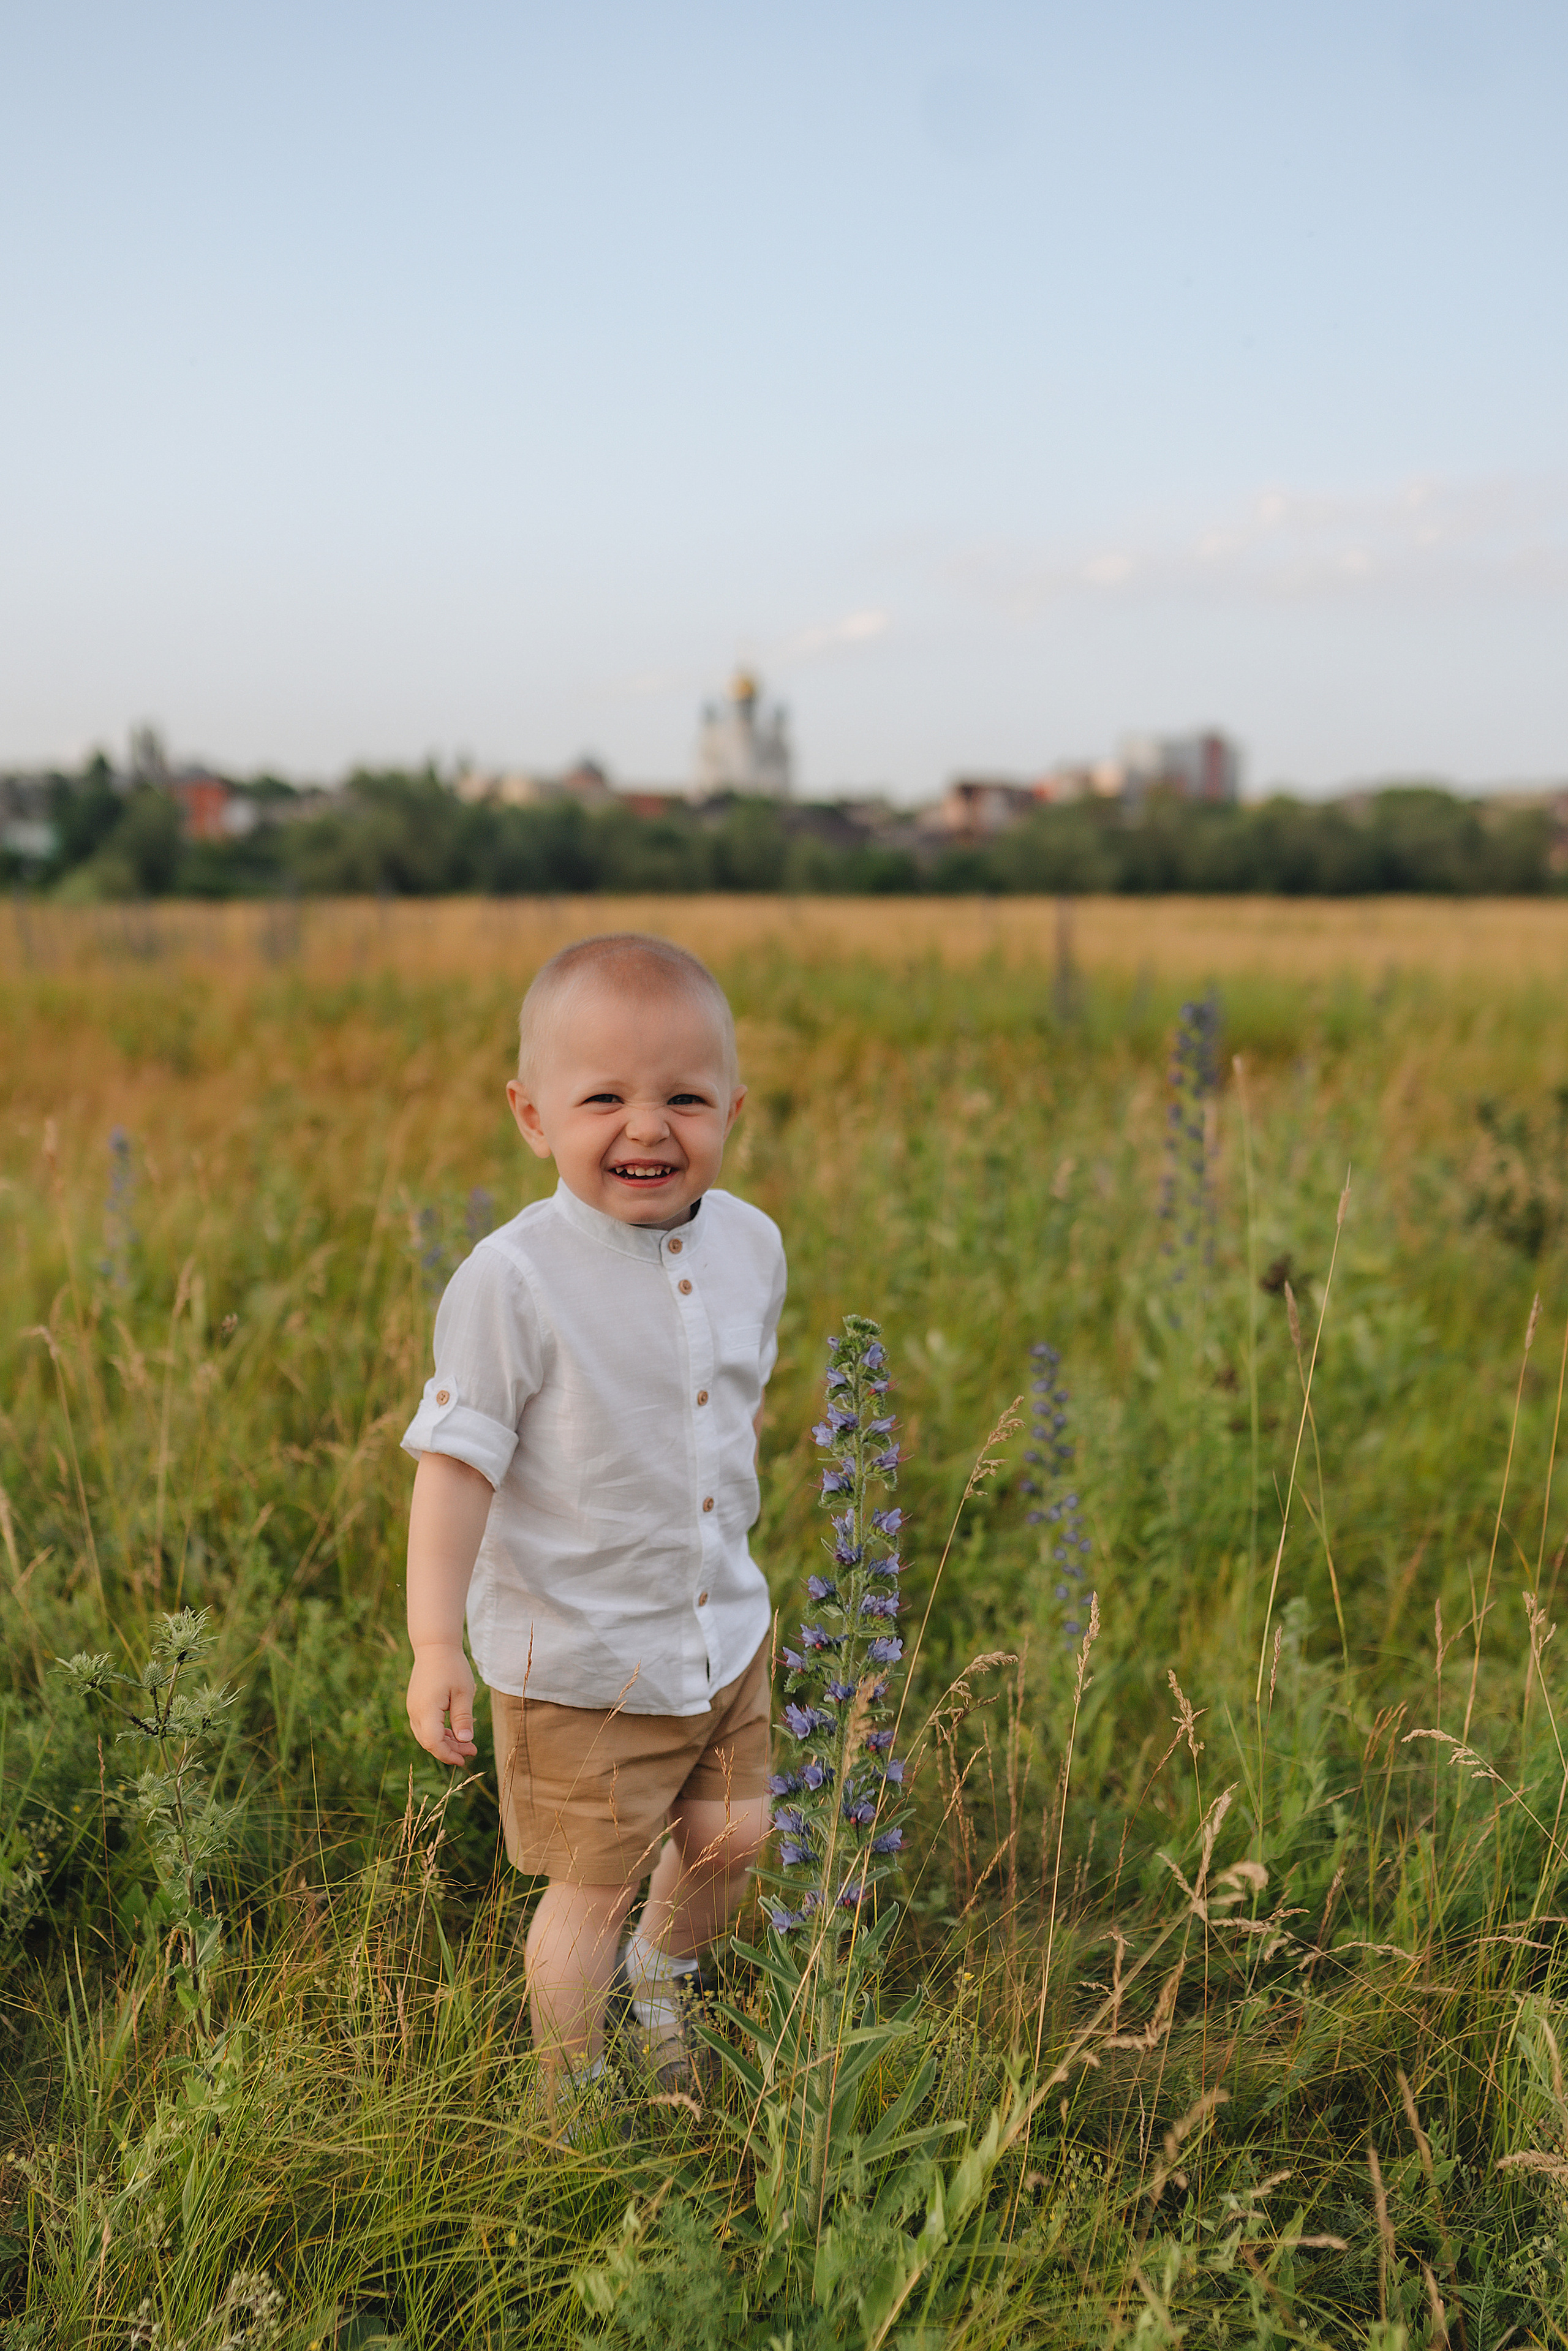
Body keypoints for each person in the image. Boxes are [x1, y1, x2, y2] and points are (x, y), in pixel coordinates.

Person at [401, 932, 783, 2115]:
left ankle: (663, 1978)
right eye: (604, 1097)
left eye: (684, 1096)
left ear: (732, 1105)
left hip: (719, 1627)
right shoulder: (513, 1278)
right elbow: (456, 1467)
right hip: (579, 1661)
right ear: (531, 1115)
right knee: (590, 1891)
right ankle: (568, 2111)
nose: (648, 1127)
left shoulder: (753, 1245)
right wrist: (434, 1645)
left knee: (735, 1839)